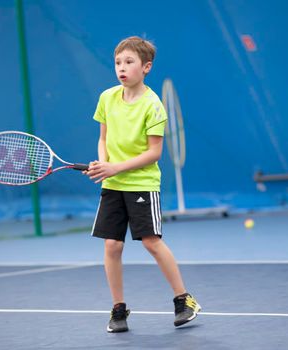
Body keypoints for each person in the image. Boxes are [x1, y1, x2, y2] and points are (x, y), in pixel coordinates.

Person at [84, 36, 201, 333]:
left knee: (150, 241)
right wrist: (102, 164)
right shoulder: (107, 98)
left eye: (129, 62)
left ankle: (183, 299)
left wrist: (115, 167)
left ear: (146, 67)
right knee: (112, 244)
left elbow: (154, 153)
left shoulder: (153, 105)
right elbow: (103, 138)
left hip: (141, 183)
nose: (121, 68)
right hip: (113, 184)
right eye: (118, 63)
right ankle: (118, 308)